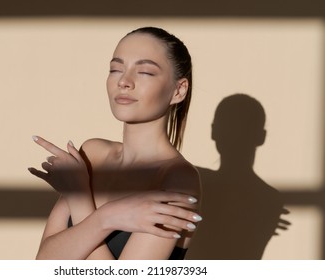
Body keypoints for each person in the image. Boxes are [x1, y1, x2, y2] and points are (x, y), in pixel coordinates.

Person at [28, 27, 202, 260]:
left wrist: (85, 202)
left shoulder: (178, 178)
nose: (124, 81)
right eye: (116, 69)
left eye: (145, 72)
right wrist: (108, 217)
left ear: (179, 91)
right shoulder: (93, 154)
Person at [185, 94, 287, 259]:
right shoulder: (270, 199)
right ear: (261, 137)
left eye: (241, 128)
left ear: (214, 132)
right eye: (231, 127)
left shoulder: (194, 180)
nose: (236, 135)